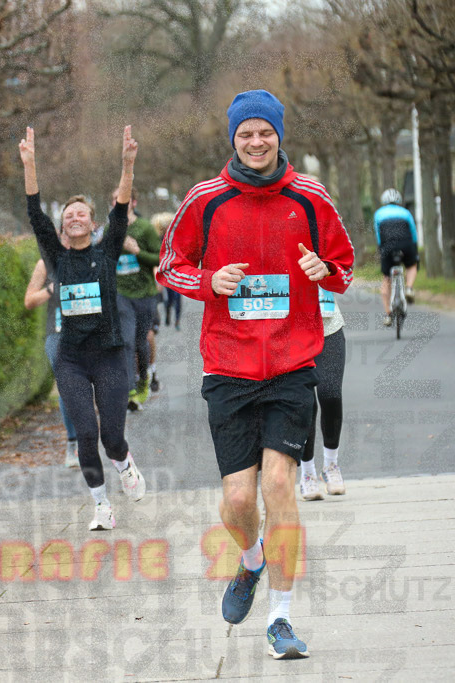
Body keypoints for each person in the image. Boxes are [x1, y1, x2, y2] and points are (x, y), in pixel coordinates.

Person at [157, 89, 354, 660]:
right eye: (246, 133)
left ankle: (282, 617)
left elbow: (344, 266)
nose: (257, 141)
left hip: (293, 363)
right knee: (240, 500)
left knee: (277, 485)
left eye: (265, 132)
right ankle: (249, 562)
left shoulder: (311, 197)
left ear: (279, 135)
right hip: (228, 366)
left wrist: (325, 269)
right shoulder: (206, 200)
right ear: (233, 139)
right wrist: (208, 281)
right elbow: (172, 264)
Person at [19, 124, 147, 531]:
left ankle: (124, 463)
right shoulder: (55, 258)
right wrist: (30, 164)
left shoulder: (107, 250)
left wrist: (127, 164)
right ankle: (100, 504)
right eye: (68, 214)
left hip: (109, 356)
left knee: (111, 435)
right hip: (72, 359)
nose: (75, 218)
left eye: (82, 214)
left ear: (93, 225)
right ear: (62, 227)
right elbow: (34, 212)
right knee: (86, 433)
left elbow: (121, 207)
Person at [24, 230, 79, 468]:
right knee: (67, 387)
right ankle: (73, 443)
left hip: (87, 333)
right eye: (63, 237)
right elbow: (29, 300)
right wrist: (50, 290)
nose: (67, 242)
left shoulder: (91, 259)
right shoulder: (44, 264)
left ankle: (88, 436)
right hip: (57, 332)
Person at [116, 190, 163, 410]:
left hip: (144, 293)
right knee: (125, 341)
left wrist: (137, 252)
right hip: (120, 294)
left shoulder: (144, 228)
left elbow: (160, 258)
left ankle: (143, 379)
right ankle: (129, 388)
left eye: (124, 199)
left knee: (140, 342)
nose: (120, 203)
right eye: (116, 200)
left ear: (133, 202)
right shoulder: (111, 228)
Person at [299, 289, 346, 500]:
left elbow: (343, 270)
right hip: (293, 326)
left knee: (331, 393)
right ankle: (307, 473)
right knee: (305, 401)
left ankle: (331, 465)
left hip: (329, 323)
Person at [374, 188, 418, 326]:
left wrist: (381, 249)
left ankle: (388, 314)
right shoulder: (405, 212)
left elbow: (378, 235)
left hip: (387, 246)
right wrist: (414, 248)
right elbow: (413, 232)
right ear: (398, 200)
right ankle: (409, 288)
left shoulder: (378, 214)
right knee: (412, 265)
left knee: (386, 278)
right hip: (406, 244)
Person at [151, 213, 181, 330]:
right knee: (169, 298)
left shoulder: (176, 237)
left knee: (178, 297)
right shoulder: (158, 239)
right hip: (165, 272)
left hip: (177, 270)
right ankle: (168, 314)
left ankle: (177, 320)